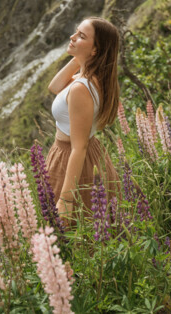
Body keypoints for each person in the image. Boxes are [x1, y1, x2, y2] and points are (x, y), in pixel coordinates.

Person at [46, 17, 121, 222]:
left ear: (95, 50)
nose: (72, 37)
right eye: (76, 32)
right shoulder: (86, 76)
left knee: (71, 232)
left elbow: (79, 148)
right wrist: (80, 56)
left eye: (81, 36)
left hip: (72, 158)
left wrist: (66, 200)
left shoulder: (82, 88)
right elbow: (54, 86)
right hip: (80, 154)